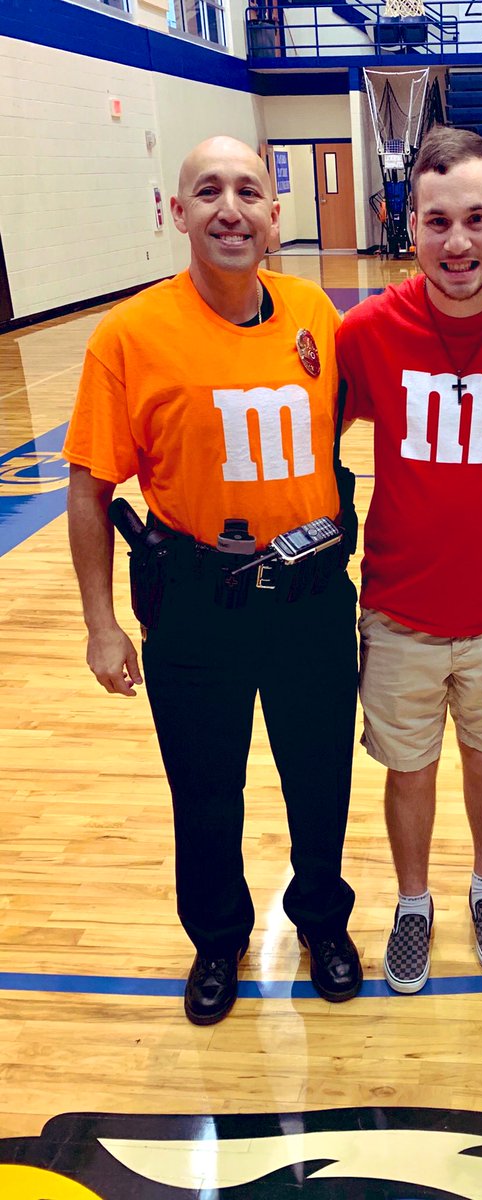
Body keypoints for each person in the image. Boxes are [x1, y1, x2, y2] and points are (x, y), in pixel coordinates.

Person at [63, 136, 362, 1024]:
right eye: (207, 192)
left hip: (310, 597)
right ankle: (218, 939)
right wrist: (100, 622)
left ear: (276, 214)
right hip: (197, 603)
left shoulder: (317, 315)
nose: (229, 209)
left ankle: (322, 921)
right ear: (178, 212)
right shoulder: (128, 336)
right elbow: (89, 487)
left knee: (321, 777)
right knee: (203, 787)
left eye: (248, 192)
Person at [336, 127, 482, 994]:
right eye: (437, 221)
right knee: (409, 769)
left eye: (477, 218)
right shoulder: (364, 333)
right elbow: (312, 439)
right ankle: (411, 902)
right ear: (411, 229)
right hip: (397, 605)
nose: (458, 242)